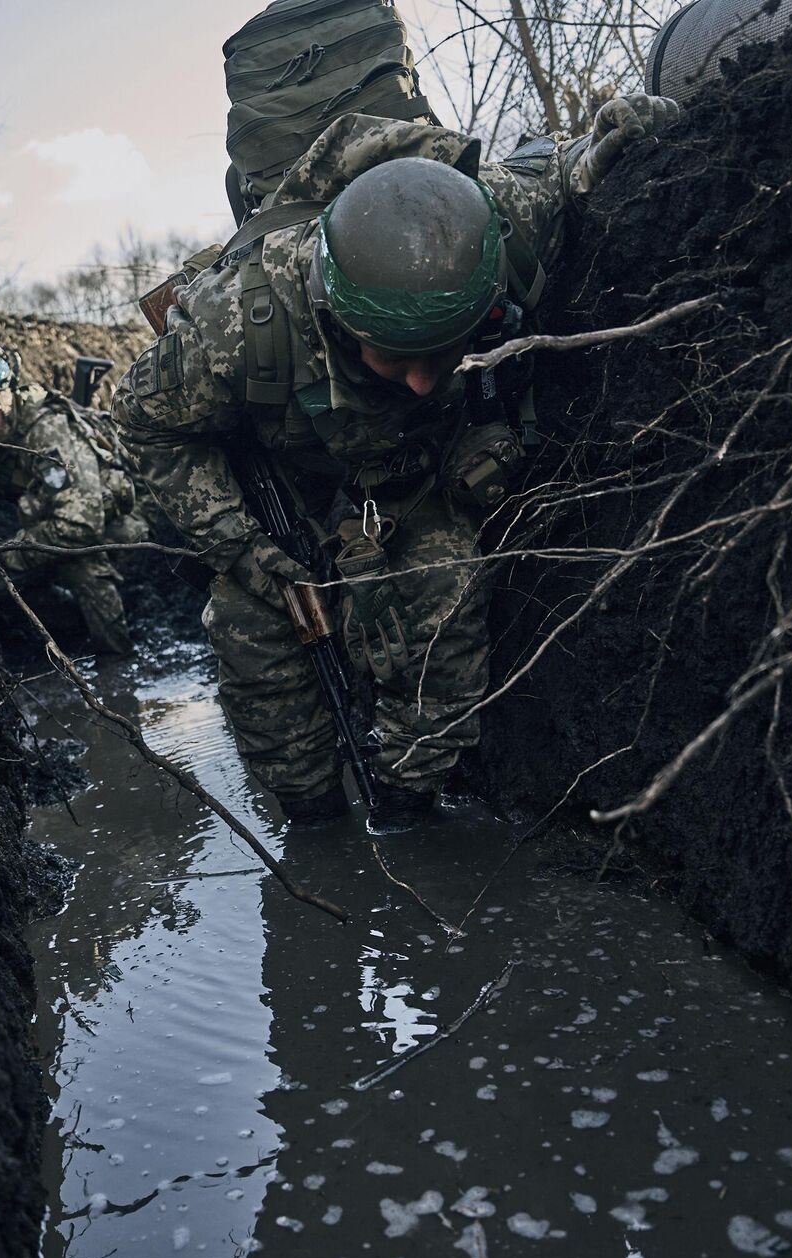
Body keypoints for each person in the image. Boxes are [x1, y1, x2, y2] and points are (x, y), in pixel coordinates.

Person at [113, 97, 679, 827]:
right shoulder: (236, 325)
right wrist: (246, 548)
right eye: (395, 358)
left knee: (445, 594)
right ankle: (312, 819)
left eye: (441, 354)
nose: (420, 381)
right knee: (254, 636)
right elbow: (143, 424)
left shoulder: (496, 227)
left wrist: (612, 138)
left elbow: (562, 167)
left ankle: (410, 807)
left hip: (417, 482)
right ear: (336, 315)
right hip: (292, 494)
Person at [0, 346, 146, 654]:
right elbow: (7, 483)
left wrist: (12, 553)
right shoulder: (1, 430)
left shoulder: (46, 431)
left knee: (80, 565)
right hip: (61, 520)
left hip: (116, 524)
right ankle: (75, 627)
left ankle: (118, 660)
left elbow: (81, 525)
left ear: (5, 397)